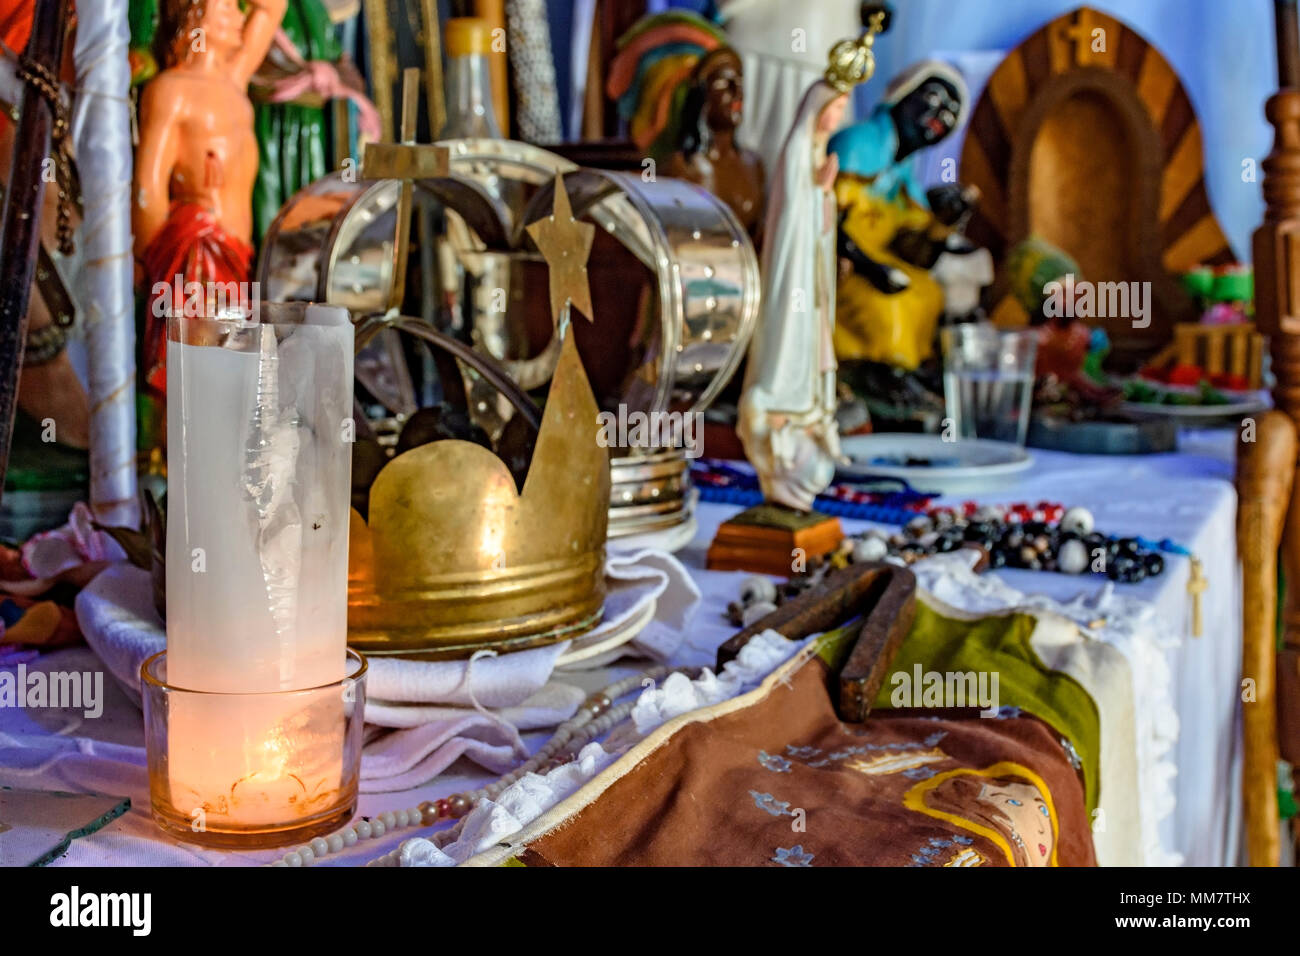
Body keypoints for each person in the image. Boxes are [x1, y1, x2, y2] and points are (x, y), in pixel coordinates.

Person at [133, 0, 286, 396]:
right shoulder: (171, 91)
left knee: (234, 371)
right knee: (194, 375)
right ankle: (171, 453)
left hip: (237, 257)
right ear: (197, 14)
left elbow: (271, 10)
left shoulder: (233, 82)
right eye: (229, 8)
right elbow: (147, 187)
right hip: (193, 259)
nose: (240, 19)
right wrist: (155, 259)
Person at [737, 80, 848, 512]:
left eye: (842, 109)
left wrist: (824, 192)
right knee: (789, 333)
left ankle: (805, 407)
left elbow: (819, 223)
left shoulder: (817, 152)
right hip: (792, 275)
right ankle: (780, 397)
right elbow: (788, 222)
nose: (836, 117)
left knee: (813, 331)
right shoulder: (795, 150)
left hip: (812, 274)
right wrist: (812, 190)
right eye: (833, 107)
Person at [665, 48, 765, 243]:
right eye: (723, 83)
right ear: (703, 96)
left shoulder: (754, 165)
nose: (737, 93)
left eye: (739, 82)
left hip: (744, 270)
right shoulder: (681, 167)